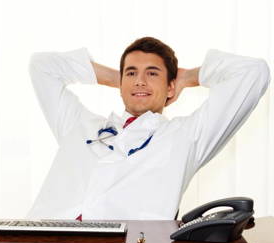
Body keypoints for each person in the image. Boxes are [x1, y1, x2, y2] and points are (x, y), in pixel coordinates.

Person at [27, 37, 270, 220]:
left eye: (152, 73)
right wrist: (121, 79)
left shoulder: (186, 137)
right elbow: (42, 66)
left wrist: (187, 78)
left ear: (171, 88)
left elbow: (252, 72)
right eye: (132, 73)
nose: (140, 80)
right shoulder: (79, 124)